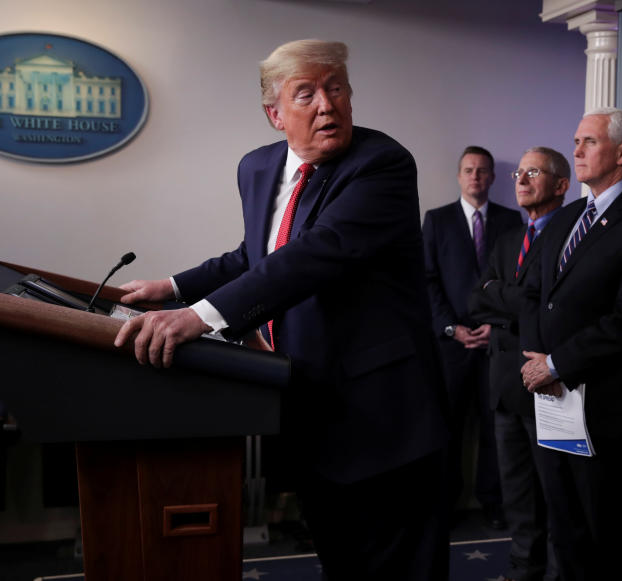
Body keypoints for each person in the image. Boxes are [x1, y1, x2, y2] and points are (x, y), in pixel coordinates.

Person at [113, 40, 449, 581]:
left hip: (386, 417)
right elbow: (256, 253)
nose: (326, 104)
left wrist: (201, 316)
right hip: (310, 405)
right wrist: (172, 286)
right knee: (341, 561)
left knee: (399, 565)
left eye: (336, 88)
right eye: (306, 93)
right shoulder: (257, 168)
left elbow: (316, 253)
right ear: (275, 115)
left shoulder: (381, 164)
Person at [519, 108, 622, 580]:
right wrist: (536, 361)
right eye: (576, 141)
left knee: (607, 537)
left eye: (588, 142)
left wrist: (556, 362)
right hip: (551, 400)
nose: (576, 151)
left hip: (608, 410)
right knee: (564, 532)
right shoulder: (566, 218)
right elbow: (534, 295)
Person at [468, 146, 569, 581]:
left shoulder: (570, 235)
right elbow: (477, 300)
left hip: (548, 387)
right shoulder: (508, 238)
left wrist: (502, 294)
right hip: (505, 384)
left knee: (557, 494)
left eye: (534, 172)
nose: (522, 180)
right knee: (517, 495)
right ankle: (522, 570)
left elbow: (553, 305)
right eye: (519, 174)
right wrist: (522, 297)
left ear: (562, 185)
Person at [422, 146, 522, 527]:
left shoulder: (513, 222)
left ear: (493, 177)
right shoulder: (437, 220)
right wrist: (452, 328)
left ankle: (494, 503)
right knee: (447, 426)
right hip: (451, 344)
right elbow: (427, 280)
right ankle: (445, 505)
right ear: (459, 176)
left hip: (498, 343)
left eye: (482, 170)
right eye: (469, 170)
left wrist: (495, 326)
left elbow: (516, 281)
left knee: (496, 427)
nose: (476, 176)